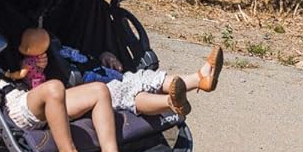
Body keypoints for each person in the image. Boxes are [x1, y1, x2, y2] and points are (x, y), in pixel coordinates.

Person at [0, 23, 138, 152]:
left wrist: (37, 67)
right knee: (54, 87)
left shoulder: (6, 51)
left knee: (99, 90)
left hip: (32, 97)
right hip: (13, 106)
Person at [63, 43, 223, 119]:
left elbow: (83, 56)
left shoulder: (61, 47)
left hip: (109, 75)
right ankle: (171, 102)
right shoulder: (51, 57)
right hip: (89, 92)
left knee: (146, 77)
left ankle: (199, 79)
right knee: (128, 93)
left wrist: (104, 55)